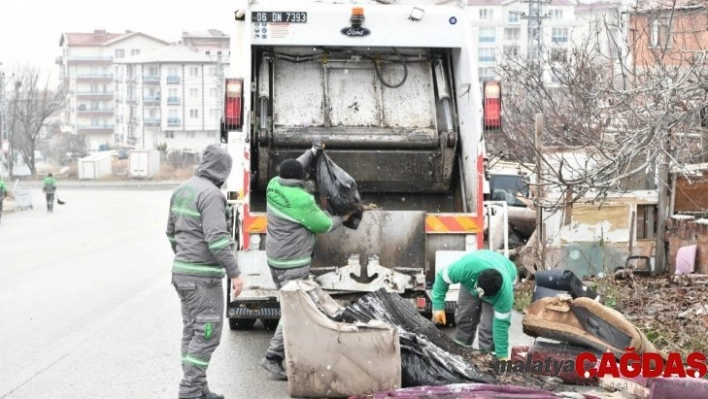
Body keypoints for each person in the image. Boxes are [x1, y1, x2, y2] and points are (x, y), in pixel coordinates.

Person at [259, 141, 351, 380]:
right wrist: (345, 216)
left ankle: (295, 350)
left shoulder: (272, 186)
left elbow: (294, 166)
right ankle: (272, 357)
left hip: (275, 260)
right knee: (292, 311)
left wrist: (311, 152)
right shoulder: (301, 200)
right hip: (293, 264)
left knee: (287, 305)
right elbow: (325, 225)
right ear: (299, 179)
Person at [166, 144, 244, 399]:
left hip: (182, 274)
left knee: (192, 330)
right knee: (208, 334)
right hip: (202, 279)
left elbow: (170, 233)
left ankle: (199, 388)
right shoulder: (212, 195)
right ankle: (189, 391)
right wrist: (235, 272)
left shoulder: (182, 190)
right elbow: (218, 240)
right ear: (223, 169)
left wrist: (185, 259)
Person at [431, 249, 518, 360]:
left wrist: (502, 355)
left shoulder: (504, 294)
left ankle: (488, 359)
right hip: (471, 281)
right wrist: (438, 306)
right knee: (465, 318)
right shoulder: (465, 268)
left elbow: (501, 326)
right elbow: (441, 278)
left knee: (488, 327)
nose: (481, 298)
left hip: (503, 273)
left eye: (485, 296)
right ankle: (460, 354)